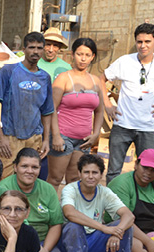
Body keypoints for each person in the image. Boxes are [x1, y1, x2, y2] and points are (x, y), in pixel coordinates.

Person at [101, 23, 154, 183]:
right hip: (123, 125)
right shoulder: (125, 61)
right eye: (139, 42)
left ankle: (139, 205)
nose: (143, 45)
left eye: (147, 41)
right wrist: (107, 103)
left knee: (146, 172)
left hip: (148, 127)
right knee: (113, 171)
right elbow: (102, 79)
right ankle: (112, 205)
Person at [60, 154, 150, 252]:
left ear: (101, 175)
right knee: (73, 226)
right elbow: (70, 213)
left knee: (126, 226)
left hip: (93, 243)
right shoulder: (70, 189)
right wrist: (103, 228)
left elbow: (129, 216)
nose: (90, 176)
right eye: (86, 172)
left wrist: (117, 232)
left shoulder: (104, 192)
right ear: (79, 174)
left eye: (95, 172)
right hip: (71, 243)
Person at [0, 32, 55, 180]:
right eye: (31, 47)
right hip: (10, 137)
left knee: (29, 179)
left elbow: (46, 111)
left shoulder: (45, 77)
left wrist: (46, 140)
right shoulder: (8, 71)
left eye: (39, 48)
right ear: (24, 49)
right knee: (4, 181)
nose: (35, 52)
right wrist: (1, 137)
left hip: (34, 138)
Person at [47, 38, 105, 189]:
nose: (83, 58)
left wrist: (96, 133)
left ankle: (68, 211)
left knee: (74, 180)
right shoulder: (64, 78)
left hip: (84, 140)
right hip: (63, 137)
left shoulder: (96, 81)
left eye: (87, 54)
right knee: (55, 178)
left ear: (93, 56)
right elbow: (51, 108)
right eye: (80, 54)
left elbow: (99, 110)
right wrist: (57, 136)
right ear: (73, 55)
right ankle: (48, 211)